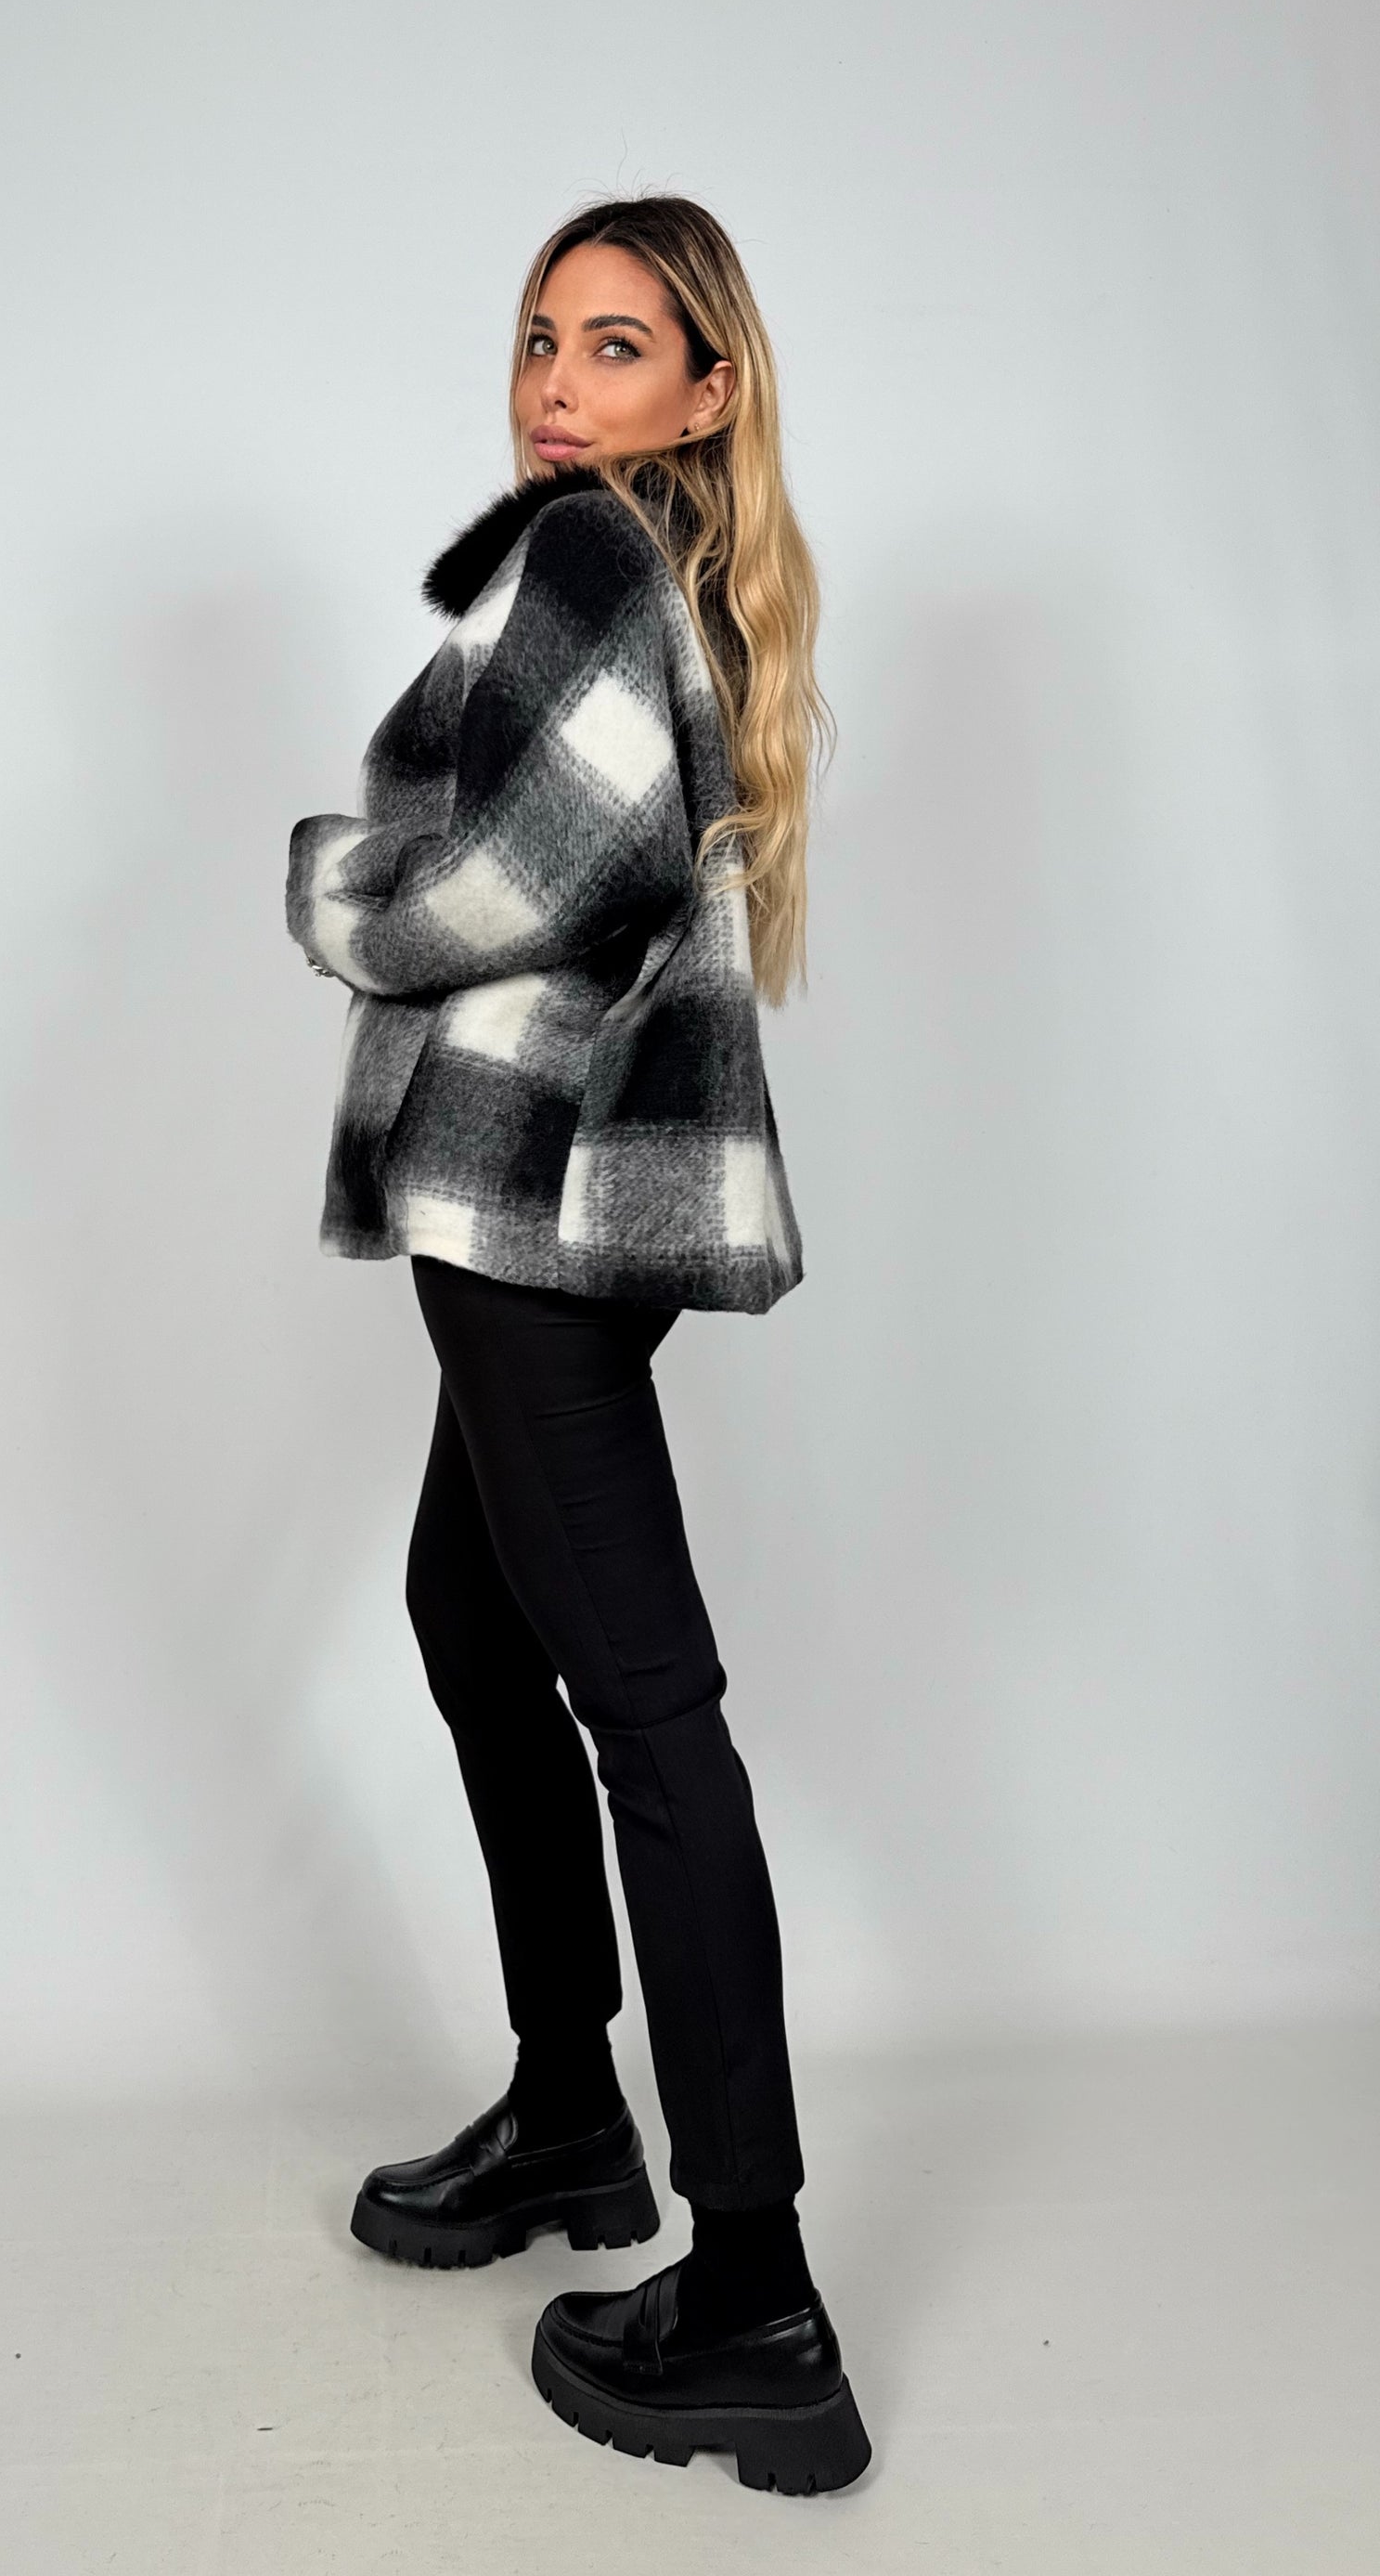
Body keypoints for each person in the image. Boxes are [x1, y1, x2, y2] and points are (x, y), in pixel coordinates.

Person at [285, 194, 870, 2497]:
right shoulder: (649, 560)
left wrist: (338, 885)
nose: (556, 381)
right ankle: (564, 2112)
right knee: (469, 1607)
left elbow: (539, 871)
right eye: (542, 336)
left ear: (705, 389)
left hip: (527, 1198)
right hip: (552, 1198)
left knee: (647, 1707)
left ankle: (758, 2297)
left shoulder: (591, 559)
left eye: (616, 345)